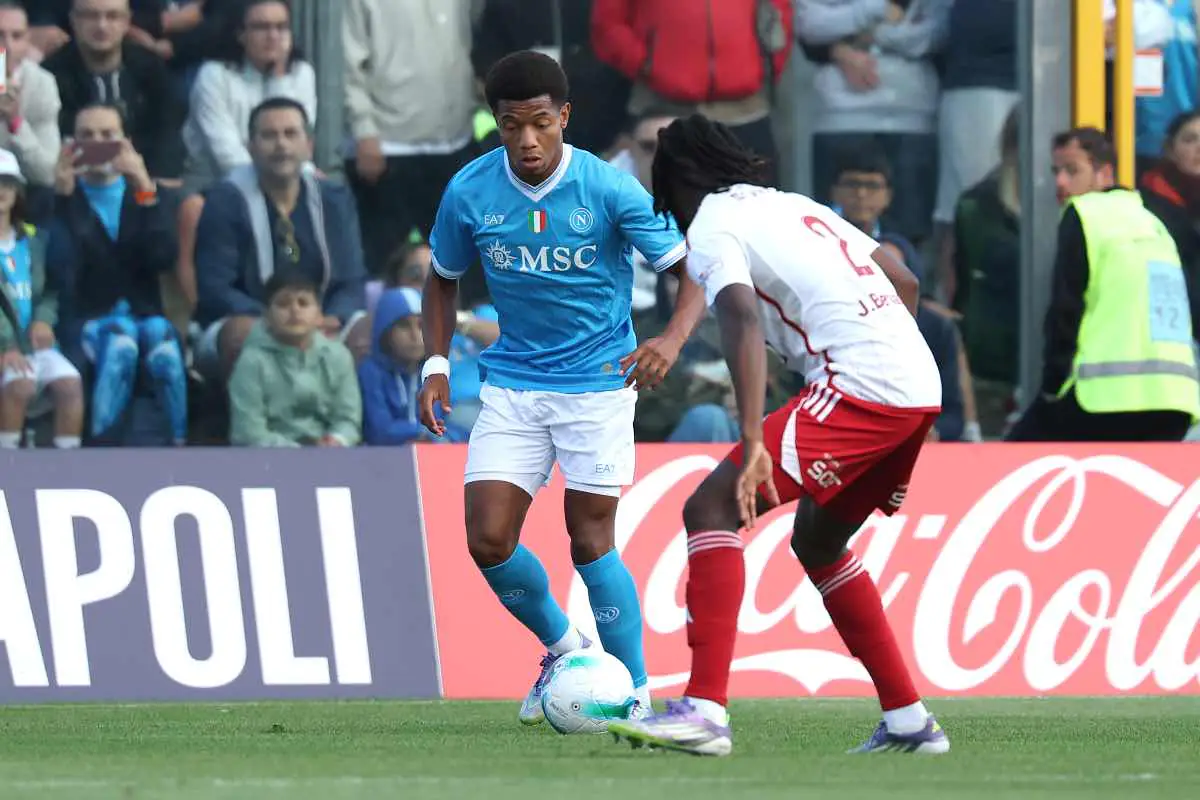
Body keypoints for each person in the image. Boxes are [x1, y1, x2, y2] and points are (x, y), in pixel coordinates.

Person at [608, 115, 949, 756]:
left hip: (861, 387)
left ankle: (704, 712)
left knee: (711, 507)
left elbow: (738, 315)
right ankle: (910, 721)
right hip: (915, 386)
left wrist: (752, 440)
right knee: (819, 542)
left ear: (675, 177)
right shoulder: (794, 205)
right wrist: (896, 442)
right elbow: (904, 281)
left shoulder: (712, 223)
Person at [416, 51, 704, 725]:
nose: (527, 140)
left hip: (597, 385)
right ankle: (566, 650)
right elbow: (441, 278)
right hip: (514, 385)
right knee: (487, 539)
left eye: (540, 123)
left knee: (589, 539)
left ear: (564, 117)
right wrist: (435, 363)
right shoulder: (469, 191)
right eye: (511, 125)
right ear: (496, 123)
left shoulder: (609, 189)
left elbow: (691, 269)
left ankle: (636, 694)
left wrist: (670, 340)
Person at [1006, 127, 1199, 441]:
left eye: (1072, 171)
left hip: (1104, 399)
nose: (1060, 183)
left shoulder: (1085, 213)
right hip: (1174, 401)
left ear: (1104, 173)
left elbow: (1065, 311)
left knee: (1014, 456)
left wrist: (1052, 387)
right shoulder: (1154, 222)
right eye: (1056, 172)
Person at [47, 102, 185, 445]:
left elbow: (163, 257)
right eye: (87, 135)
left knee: (163, 340)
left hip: (143, 314)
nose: (98, 143)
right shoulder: (56, 199)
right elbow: (61, 268)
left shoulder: (148, 195)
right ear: (71, 144)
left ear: (127, 142)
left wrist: (143, 185)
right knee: (120, 342)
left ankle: (178, 446)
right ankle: (105, 448)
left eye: (108, 135)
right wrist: (63, 199)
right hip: (84, 318)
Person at [0, 148, 83, 448]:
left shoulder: (34, 239)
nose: (1, 191)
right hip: (6, 346)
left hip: (32, 345)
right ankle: (6, 463)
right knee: (19, 385)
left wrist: (44, 320)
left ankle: (68, 466)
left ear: (17, 192)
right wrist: (6, 346)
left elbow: (50, 289)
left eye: (7, 183)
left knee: (70, 385)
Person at [228, 268, 361, 447]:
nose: (294, 310)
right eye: (283, 304)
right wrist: (300, 452)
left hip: (328, 454)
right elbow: (248, 432)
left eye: (303, 303)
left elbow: (348, 420)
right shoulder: (251, 361)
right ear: (267, 316)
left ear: (319, 315)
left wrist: (337, 440)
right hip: (270, 456)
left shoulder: (338, 356)